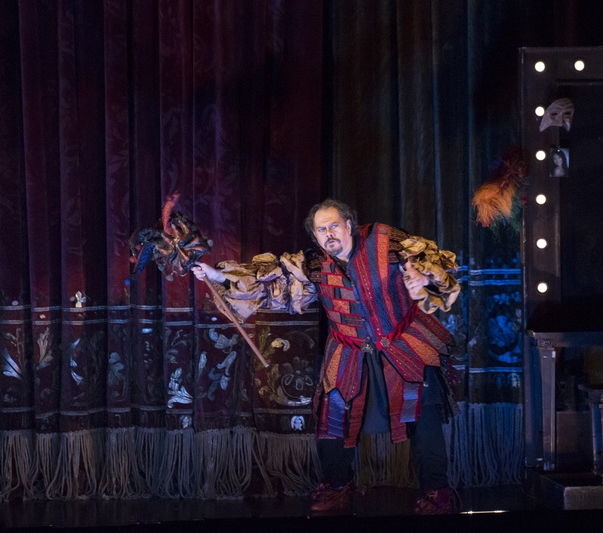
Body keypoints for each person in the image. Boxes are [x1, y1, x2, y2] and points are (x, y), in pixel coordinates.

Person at [191, 198, 461, 514]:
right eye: (322, 230)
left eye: (334, 225)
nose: (329, 233)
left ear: (349, 225)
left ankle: (437, 491)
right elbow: (269, 281)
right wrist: (216, 275)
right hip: (348, 351)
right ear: (315, 236)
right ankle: (336, 486)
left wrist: (424, 278)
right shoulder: (313, 264)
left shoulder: (387, 242)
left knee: (423, 418)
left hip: (404, 345)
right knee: (333, 419)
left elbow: (430, 262)